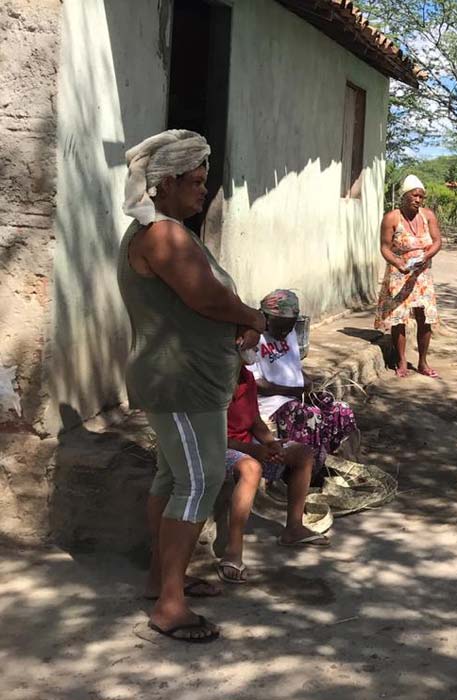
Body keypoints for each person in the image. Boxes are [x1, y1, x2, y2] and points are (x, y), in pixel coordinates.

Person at [118, 130, 269, 643]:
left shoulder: (165, 230)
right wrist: (252, 316)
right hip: (179, 379)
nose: (205, 190)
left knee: (173, 476)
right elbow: (205, 298)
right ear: (165, 183)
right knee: (200, 481)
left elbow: (203, 299)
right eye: (197, 181)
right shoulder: (162, 234)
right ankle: (170, 605)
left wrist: (239, 321)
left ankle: (161, 580)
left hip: (186, 377)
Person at [219, 353, 330, 584]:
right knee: (251, 469)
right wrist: (255, 451)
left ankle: (294, 528)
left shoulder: (246, 377)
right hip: (218, 448)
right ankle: (233, 550)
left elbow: (255, 421)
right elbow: (213, 436)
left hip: (248, 444)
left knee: (303, 454)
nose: (254, 349)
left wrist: (271, 443)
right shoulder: (214, 381)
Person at [253, 289, 358, 473]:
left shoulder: (290, 332)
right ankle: (309, 472)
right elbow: (257, 384)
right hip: (271, 404)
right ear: (267, 318)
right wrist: (294, 391)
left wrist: (307, 382)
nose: (286, 331)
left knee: (341, 410)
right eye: (282, 326)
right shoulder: (254, 338)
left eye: (290, 326)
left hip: (294, 396)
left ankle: (334, 465)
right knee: (310, 415)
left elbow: (293, 366)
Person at [375, 174, 442, 378]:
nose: (418, 200)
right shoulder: (392, 218)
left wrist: (426, 256)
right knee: (399, 318)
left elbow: (437, 241)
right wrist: (398, 264)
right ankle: (402, 360)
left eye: (421, 197)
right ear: (404, 196)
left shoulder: (428, 216)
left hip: (422, 275)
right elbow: (385, 248)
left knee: (424, 316)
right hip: (399, 273)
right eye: (414, 196)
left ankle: (422, 362)